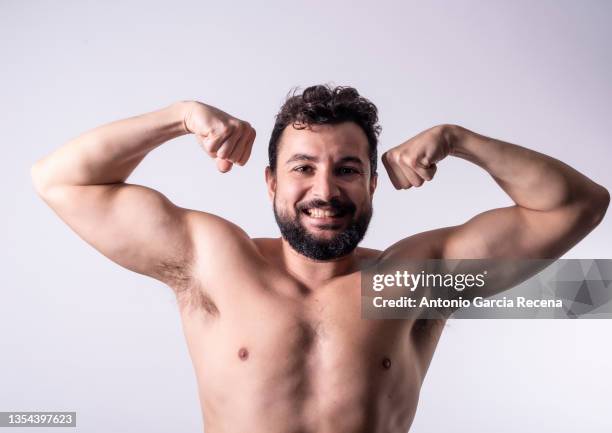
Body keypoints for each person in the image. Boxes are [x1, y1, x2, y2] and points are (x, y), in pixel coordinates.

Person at [30, 85, 609, 432]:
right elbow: (62, 182)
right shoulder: (213, 261)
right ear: (270, 183)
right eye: (303, 167)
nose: (325, 191)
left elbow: (577, 205)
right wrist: (179, 116)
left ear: (373, 185)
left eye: (347, 169)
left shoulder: (413, 279)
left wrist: (461, 141)